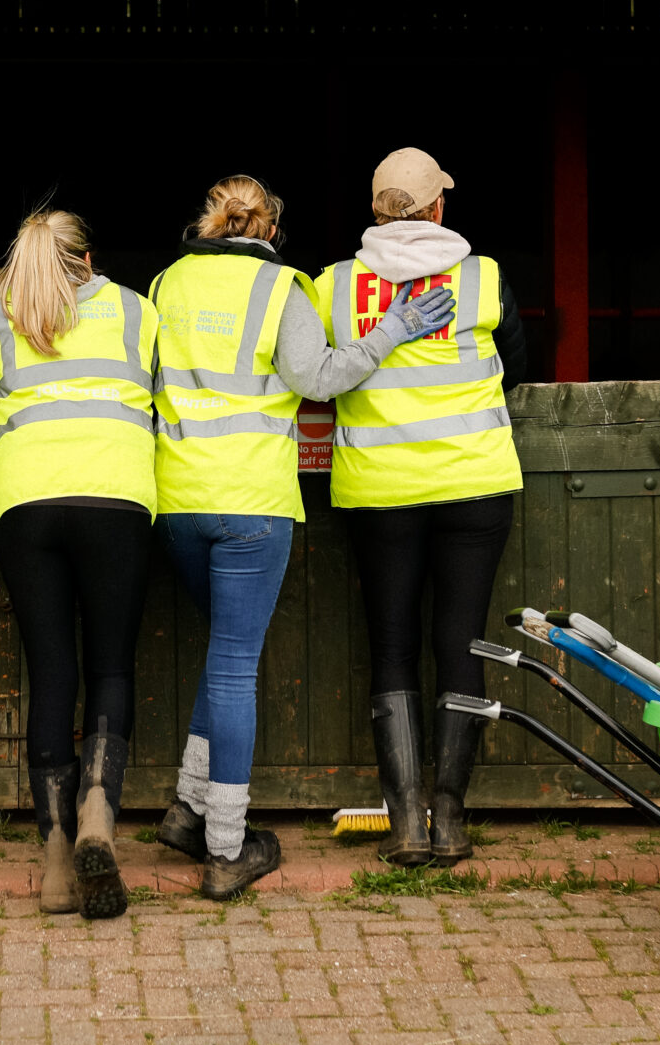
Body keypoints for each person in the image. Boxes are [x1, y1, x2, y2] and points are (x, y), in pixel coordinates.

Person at [148, 176, 456, 898]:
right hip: (252, 501)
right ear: (271, 228)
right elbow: (317, 378)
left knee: (225, 652)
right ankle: (227, 847)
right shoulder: (282, 289)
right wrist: (394, 329)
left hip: (176, 500)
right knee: (232, 666)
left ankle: (189, 811)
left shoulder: (164, 284)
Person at [315, 149, 527, 868]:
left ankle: (405, 822)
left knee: (393, 644)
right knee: (460, 640)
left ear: (377, 209)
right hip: (474, 483)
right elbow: (520, 367)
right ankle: (452, 817)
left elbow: (312, 375)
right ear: (439, 208)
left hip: (380, 489)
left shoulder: (337, 286)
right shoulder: (483, 277)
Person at [0, 210, 159, 920]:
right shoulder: (138, 313)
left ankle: (53, 865)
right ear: (92, 257)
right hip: (115, 496)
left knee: (52, 670)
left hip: (27, 503)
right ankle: (97, 818)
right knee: (110, 666)